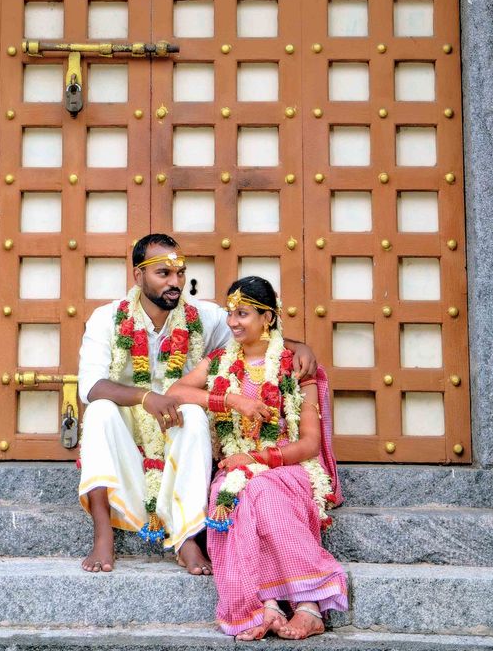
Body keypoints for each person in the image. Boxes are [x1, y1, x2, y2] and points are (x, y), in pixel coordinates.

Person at [77, 234, 317, 575]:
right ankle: (103, 532)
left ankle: (186, 535)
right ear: (138, 276)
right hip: (127, 431)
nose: (175, 283)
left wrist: (300, 346)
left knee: (192, 413)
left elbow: (255, 331)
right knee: (99, 410)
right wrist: (146, 398)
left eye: (180, 273)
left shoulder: (201, 316)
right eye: (164, 274)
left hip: (176, 427)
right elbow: (91, 386)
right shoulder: (107, 318)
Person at [166, 276, 347, 640]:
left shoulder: (293, 366)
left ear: (268, 317)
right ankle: (265, 605)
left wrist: (257, 456)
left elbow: (310, 443)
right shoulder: (218, 362)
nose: (232, 322)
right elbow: (175, 391)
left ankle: (309, 607)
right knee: (230, 497)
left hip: (286, 465)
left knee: (262, 489)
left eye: (243, 314)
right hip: (234, 469)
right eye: (231, 313)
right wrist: (230, 400)